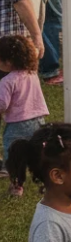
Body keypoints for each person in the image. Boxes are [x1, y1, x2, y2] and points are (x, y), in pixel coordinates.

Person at [0, 35, 49, 197]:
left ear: (7, 62)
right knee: (38, 154)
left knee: (14, 156)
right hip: (38, 121)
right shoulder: (32, 74)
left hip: (16, 125)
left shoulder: (7, 81)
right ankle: (45, 183)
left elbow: (2, 104)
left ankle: (16, 186)